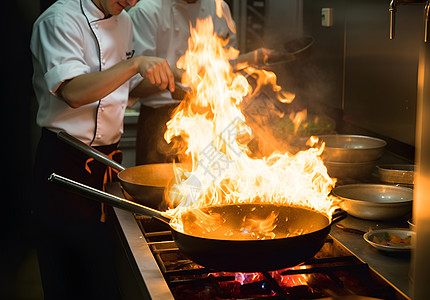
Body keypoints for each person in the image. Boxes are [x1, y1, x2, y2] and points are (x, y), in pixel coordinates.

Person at [30, 0, 176, 299]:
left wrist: (170, 80)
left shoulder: (123, 21)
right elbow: (73, 91)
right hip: (66, 163)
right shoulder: (58, 20)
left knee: (105, 273)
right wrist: (136, 63)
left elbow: (124, 88)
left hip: (107, 164)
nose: (132, 1)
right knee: (69, 276)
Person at [128, 0, 271, 165]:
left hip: (210, 120)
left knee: (210, 188)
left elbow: (224, 67)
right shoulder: (146, 11)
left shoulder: (219, 7)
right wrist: (174, 76)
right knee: (155, 187)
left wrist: (251, 59)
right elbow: (133, 85)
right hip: (160, 123)